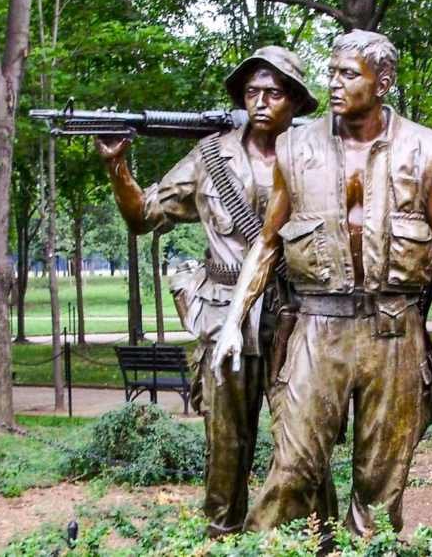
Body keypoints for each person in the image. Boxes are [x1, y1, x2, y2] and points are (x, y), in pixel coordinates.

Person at [211, 30, 432, 535]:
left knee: (381, 482)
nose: (333, 83)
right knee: (292, 467)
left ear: (384, 82)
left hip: (394, 332)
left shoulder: (428, 148)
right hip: (317, 328)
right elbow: (267, 243)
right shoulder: (294, 146)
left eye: (347, 74)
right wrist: (233, 321)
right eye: (331, 72)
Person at [94, 46, 333, 537]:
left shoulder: (318, 153)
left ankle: (319, 536)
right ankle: (221, 535)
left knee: (304, 437)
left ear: (295, 101)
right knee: (226, 441)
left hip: (299, 312)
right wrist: (118, 166)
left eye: (273, 92)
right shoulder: (210, 156)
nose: (261, 102)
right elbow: (141, 217)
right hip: (226, 314)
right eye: (251, 93)